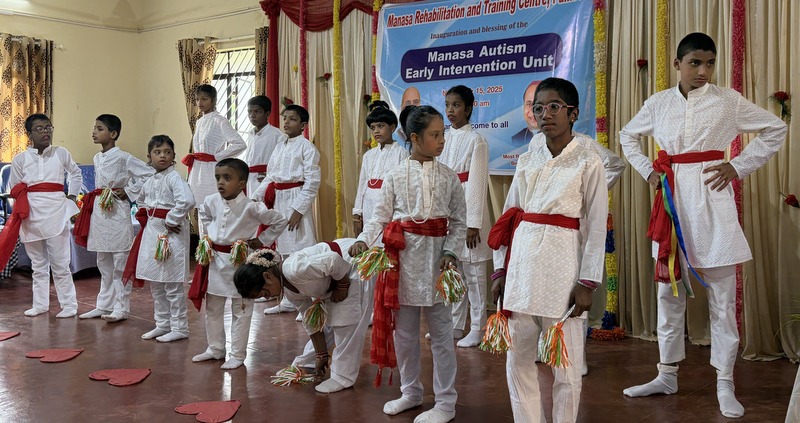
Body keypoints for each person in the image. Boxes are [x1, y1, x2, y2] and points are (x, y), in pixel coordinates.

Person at [619, 32, 787, 419]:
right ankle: (666, 373)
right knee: (668, 295)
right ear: (677, 64)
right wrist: (647, 171)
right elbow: (628, 136)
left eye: (710, 63)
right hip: (671, 204)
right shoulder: (658, 103)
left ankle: (725, 381)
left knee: (723, 301)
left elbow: (774, 128)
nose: (703, 71)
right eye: (695, 62)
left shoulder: (726, 100)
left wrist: (738, 166)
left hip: (713, 205)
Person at [490, 77, 608, 423]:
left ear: (573, 113)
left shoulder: (589, 161)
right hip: (522, 270)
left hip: (563, 270)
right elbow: (509, 217)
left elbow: (597, 225)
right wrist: (501, 270)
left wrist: (587, 282)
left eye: (554, 106)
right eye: (538, 108)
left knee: (566, 368)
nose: (544, 114)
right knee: (519, 359)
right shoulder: (528, 158)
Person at [350, 105, 467, 423]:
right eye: (435, 135)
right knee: (405, 333)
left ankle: (445, 402)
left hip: (439, 268)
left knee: (442, 335)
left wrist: (451, 253)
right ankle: (411, 392)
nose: (442, 140)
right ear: (415, 138)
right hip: (401, 264)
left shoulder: (449, 177)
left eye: (443, 134)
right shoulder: (396, 175)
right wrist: (364, 239)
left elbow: (458, 222)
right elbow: (379, 217)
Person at [234, 238, 374, 393]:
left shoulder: (294, 270)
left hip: (352, 263)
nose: (267, 298)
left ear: (268, 277)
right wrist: (321, 354)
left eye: (265, 293)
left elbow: (334, 260)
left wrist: (342, 286)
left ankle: (342, 376)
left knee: (345, 322)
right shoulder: (288, 288)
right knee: (323, 319)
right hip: (337, 276)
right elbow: (310, 318)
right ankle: (310, 361)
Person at [190, 158, 287, 369]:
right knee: (213, 307)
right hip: (215, 261)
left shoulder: (252, 207)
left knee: (241, 308)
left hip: (240, 262)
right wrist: (207, 237)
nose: (220, 183)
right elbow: (204, 216)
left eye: (227, 178)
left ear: (242, 183)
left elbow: (280, 220)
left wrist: (262, 240)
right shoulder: (211, 201)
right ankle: (215, 348)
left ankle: (238, 354)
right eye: (218, 178)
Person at [0, 114, 82, 318]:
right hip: (31, 215)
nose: (46, 131)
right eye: (40, 128)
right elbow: (15, 188)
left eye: (48, 127)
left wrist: (71, 197)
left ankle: (69, 305)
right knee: (38, 264)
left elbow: (75, 174)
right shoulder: (20, 159)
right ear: (29, 134)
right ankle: (40, 305)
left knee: (61, 263)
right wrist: (23, 209)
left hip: (56, 211)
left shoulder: (61, 153)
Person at [74, 114, 153, 323]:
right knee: (103, 261)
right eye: (94, 128)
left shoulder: (124, 157)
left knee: (120, 262)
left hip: (117, 211)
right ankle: (104, 305)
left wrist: (129, 190)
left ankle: (121, 307)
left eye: (99, 128)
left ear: (114, 133)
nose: (94, 132)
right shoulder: (97, 158)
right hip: (99, 213)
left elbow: (148, 174)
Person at [125, 135, 196, 342]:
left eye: (167, 152)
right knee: (156, 282)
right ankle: (162, 324)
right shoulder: (150, 179)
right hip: (152, 232)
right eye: (158, 152)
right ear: (149, 156)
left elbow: (187, 200)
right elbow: (140, 200)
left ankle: (180, 327)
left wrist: (172, 220)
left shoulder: (174, 178)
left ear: (174, 155)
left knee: (172, 284)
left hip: (170, 234)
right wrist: (147, 212)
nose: (163, 156)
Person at [253, 104, 321, 316]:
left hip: (295, 199)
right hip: (278, 200)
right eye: (285, 118)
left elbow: (312, 182)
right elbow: (272, 175)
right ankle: (290, 299)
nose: (286, 122)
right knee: (281, 252)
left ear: (303, 125)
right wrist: (256, 196)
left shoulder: (307, 148)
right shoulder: (280, 145)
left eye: (292, 119)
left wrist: (299, 210)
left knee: (299, 252)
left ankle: (307, 302)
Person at [438, 85, 491, 348]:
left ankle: (478, 327)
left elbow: (478, 182)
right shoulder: (444, 138)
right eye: (447, 105)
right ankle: (456, 324)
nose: (450, 110)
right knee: (455, 271)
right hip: (451, 207)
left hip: (470, 210)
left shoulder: (476, 140)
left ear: (469, 109)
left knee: (474, 274)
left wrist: (473, 224)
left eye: (456, 105)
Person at [183, 84, 246, 235]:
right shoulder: (199, 121)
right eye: (197, 99)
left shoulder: (220, 121)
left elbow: (240, 144)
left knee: (214, 209)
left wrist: (217, 157)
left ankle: (217, 246)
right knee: (201, 211)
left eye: (204, 99)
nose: (200, 103)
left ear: (214, 100)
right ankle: (204, 250)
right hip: (198, 170)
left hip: (212, 171)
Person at [353, 101, 409, 238]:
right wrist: (357, 213)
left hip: (389, 207)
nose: (376, 131)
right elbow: (362, 185)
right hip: (368, 205)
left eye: (380, 126)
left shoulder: (402, 154)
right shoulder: (369, 155)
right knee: (369, 241)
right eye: (373, 128)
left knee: (387, 243)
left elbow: (403, 187)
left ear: (392, 127)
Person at [242, 95, 281, 196]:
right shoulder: (251, 134)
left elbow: (283, 160)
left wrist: (271, 175)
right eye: (249, 112)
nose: (252, 115)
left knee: (265, 209)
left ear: (267, 114)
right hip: (250, 178)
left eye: (257, 111)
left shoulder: (277, 134)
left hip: (266, 178)